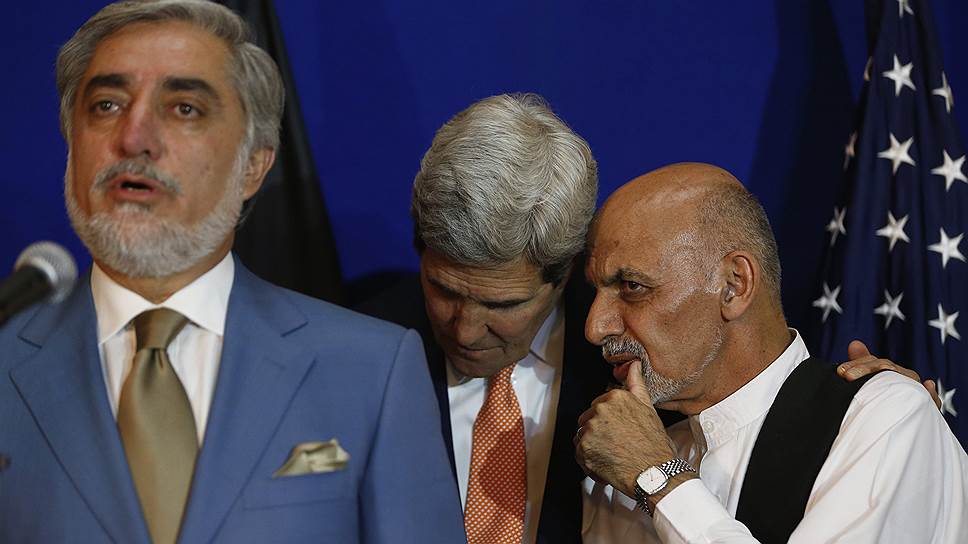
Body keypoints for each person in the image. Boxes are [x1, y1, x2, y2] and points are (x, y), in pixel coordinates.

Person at [0, 2, 464, 543]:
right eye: (107, 105)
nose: (134, 137)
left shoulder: (372, 370)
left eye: (184, 109)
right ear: (71, 142)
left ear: (253, 166)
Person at [576, 162, 968, 543]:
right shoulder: (620, 461)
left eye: (632, 287)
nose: (595, 328)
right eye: (597, 291)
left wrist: (659, 479)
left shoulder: (882, 420)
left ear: (735, 285)